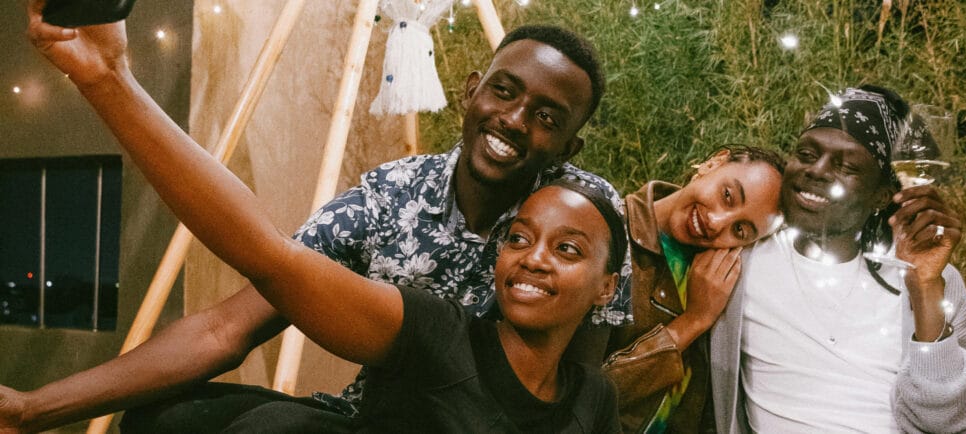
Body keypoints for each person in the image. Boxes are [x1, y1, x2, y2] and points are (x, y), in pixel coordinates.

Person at [2, 3, 631, 432]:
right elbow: (241, 309)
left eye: (549, 117)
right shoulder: (393, 197)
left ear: (571, 146)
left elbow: (572, 394)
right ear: (472, 90)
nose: (516, 121)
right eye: (505, 91)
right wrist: (35, 409)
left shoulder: (586, 218)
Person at [709, 86, 966, 433]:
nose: (817, 170)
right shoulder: (740, 263)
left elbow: (962, 425)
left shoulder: (931, 278)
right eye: (807, 153)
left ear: (880, 195)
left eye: (847, 166)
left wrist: (924, 290)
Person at [601, 145, 784, 433]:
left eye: (740, 230)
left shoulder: (728, 283)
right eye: (728, 196)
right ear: (713, 163)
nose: (715, 222)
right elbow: (580, 398)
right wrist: (694, 320)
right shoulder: (606, 236)